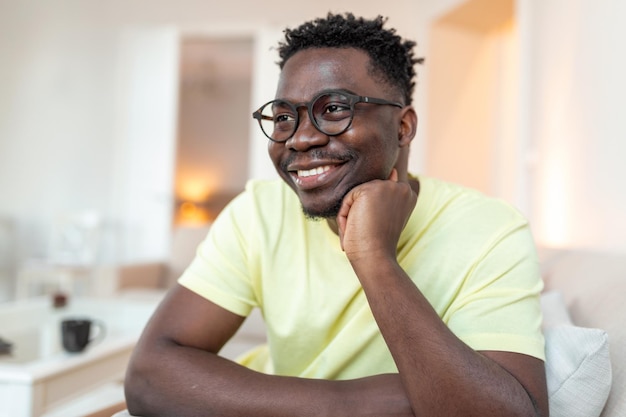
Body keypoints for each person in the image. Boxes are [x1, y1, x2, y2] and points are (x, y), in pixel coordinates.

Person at [125, 12, 549, 417]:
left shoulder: (490, 230)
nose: (301, 138)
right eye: (285, 116)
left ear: (403, 127)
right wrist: (357, 406)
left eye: (334, 109)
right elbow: (148, 375)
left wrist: (375, 259)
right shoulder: (258, 211)